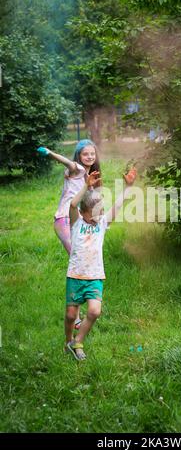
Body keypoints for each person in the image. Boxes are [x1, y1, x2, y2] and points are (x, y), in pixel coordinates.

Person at [65, 167, 137, 361]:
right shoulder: (77, 223)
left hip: (95, 276)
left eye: (101, 211)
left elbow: (117, 207)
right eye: (95, 212)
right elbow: (72, 205)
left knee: (95, 311)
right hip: (75, 275)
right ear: (85, 213)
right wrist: (85, 186)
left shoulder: (103, 224)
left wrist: (128, 187)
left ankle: (78, 341)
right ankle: (68, 341)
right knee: (71, 316)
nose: (100, 215)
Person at [37, 139, 101, 328]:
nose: (89, 157)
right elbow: (67, 162)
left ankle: (77, 312)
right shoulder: (78, 170)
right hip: (65, 220)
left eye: (92, 154)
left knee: (79, 258)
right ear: (79, 156)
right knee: (77, 257)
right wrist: (49, 153)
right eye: (85, 154)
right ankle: (76, 315)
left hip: (76, 221)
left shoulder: (90, 176)